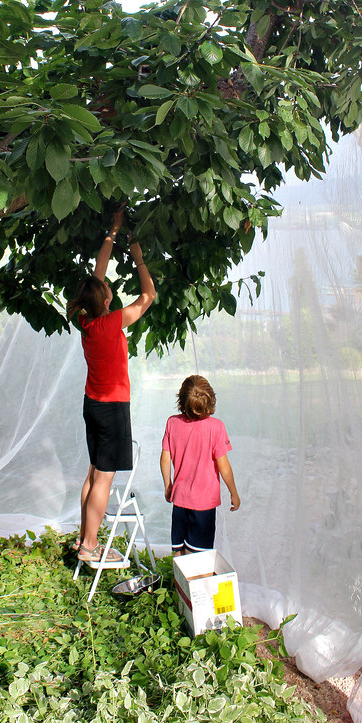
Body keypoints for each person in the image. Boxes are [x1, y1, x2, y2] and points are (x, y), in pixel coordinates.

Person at [67, 206, 156, 563]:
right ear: (106, 300)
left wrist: (112, 232)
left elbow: (96, 276)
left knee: (93, 472)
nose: (108, 289)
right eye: (107, 290)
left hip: (93, 405)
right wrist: (138, 259)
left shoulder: (85, 320)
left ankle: (83, 538)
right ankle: (90, 547)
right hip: (112, 409)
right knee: (104, 479)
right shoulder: (112, 322)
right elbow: (148, 297)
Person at [160, 374, 240, 557]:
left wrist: (168, 485)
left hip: (179, 500)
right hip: (203, 505)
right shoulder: (216, 428)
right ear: (210, 401)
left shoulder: (172, 423)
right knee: (199, 558)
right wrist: (233, 493)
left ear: (181, 400)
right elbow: (224, 467)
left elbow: (165, 458)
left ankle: (179, 585)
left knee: (179, 554)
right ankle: (196, 585)